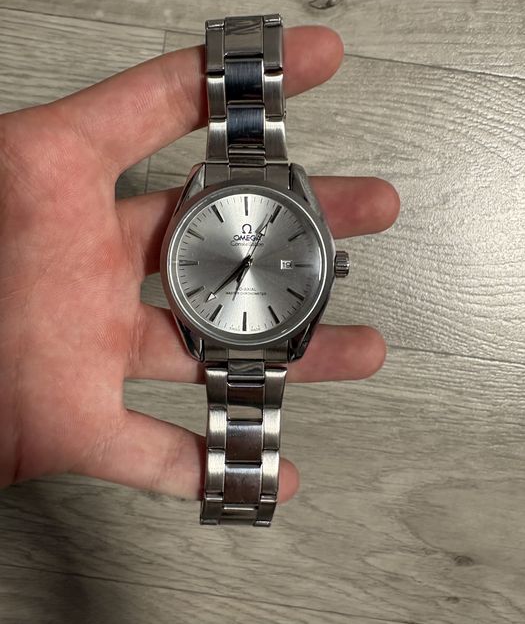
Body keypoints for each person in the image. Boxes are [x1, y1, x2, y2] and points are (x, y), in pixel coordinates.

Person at [0, 25, 399, 504]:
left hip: (235, 324)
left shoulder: (252, 194)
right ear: (335, 263)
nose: (247, 261)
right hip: (219, 323)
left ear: (332, 265)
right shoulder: (224, 198)